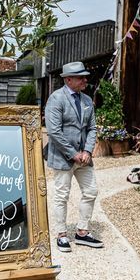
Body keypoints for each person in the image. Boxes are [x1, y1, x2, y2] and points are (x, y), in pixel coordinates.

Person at [44, 61, 103, 252]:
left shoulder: (86, 100)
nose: (85, 80)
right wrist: (73, 154)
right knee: (62, 195)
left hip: (84, 158)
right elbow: (53, 131)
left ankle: (82, 232)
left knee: (91, 191)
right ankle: (61, 235)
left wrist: (87, 151)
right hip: (63, 157)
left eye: (85, 77)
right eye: (81, 77)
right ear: (68, 79)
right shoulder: (56, 99)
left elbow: (92, 127)